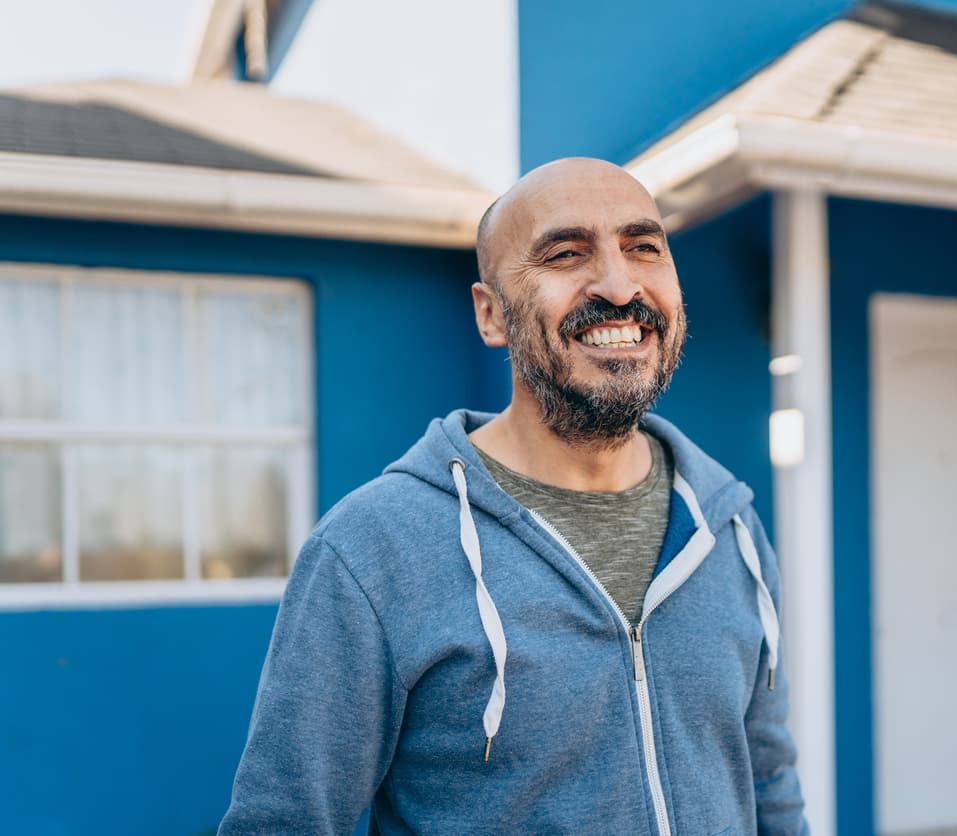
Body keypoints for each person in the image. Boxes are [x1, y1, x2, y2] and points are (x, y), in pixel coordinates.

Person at [219, 158, 808, 835]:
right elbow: (283, 822)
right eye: (566, 253)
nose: (620, 285)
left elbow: (766, 778)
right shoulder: (371, 550)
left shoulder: (729, 526)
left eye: (643, 247)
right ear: (491, 313)